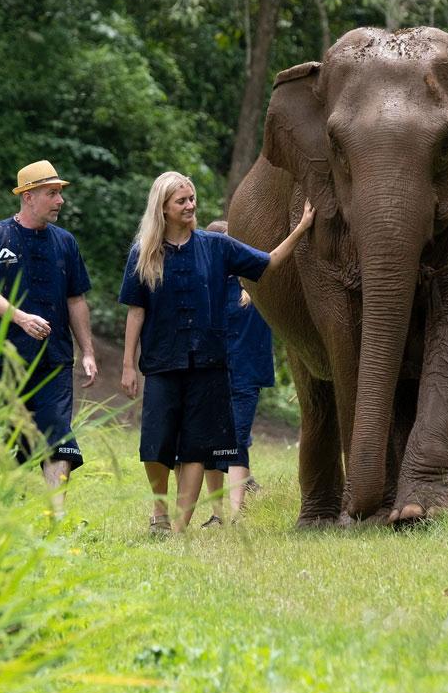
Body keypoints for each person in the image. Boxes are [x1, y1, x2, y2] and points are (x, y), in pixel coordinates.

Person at [119, 172, 313, 534]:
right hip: (161, 362)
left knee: (195, 446)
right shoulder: (143, 254)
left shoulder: (216, 247)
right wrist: (128, 364)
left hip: (208, 364)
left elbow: (267, 263)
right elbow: (135, 311)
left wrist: (300, 229)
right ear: (163, 208)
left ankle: (177, 528)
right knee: (156, 444)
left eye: (192, 199)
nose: (191, 206)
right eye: (182, 201)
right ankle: (159, 512)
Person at [0, 160, 98, 518]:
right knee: (5, 437)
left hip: (55, 359)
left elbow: (76, 300)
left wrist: (88, 351)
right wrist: (21, 317)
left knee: (58, 435)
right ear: (28, 197)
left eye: (59, 193)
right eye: (52, 193)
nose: (59, 200)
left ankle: (55, 517)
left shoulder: (66, 243)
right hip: (4, 359)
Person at [202, 219, 274, 521]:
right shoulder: (208, 287)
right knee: (215, 440)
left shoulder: (257, 288)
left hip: (246, 373)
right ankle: (220, 511)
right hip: (212, 373)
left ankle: (233, 512)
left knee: (237, 437)